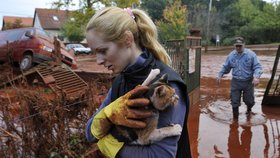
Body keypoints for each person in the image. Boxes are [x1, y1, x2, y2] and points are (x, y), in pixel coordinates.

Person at [84, 7, 191, 158]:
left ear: (127, 39)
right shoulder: (120, 80)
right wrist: (107, 116)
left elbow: (161, 155)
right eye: (95, 53)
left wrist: (108, 145)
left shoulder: (167, 86)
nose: (98, 61)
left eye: (103, 50)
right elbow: (89, 133)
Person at [217, 37, 263, 119]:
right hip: (236, 82)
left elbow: (257, 67)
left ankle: (249, 110)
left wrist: (256, 77)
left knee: (249, 101)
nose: (238, 48)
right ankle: (235, 120)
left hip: (248, 82)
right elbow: (226, 66)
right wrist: (220, 74)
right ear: (234, 46)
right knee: (234, 101)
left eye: (240, 46)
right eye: (236, 46)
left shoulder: (251, 55)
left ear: (244, 45)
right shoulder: (231, 56)